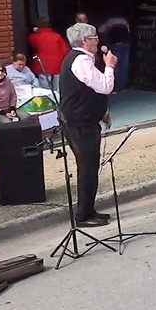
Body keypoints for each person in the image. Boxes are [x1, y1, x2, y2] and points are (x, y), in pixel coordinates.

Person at [59, 23, 116, 228]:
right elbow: (104, 86)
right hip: (79, 123)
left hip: (87, 120)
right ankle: (83, 215)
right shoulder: (80, 60)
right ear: (84, 41)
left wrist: (102, 111)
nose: (97, 41)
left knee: (91, 166)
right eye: (94, 38)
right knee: (87, 167)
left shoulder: (83, 59)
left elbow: (88, 92)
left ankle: (89, 209)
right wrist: (109, 66)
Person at [28, 19, 69, 91]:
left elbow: (32, 45)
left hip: (42, 65)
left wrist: (36, 31)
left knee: (45, 90)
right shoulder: (57, 36)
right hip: (57, 65)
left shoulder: (34, 37)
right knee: (57, 89)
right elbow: (65, 50)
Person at [99, 15, 132, 92]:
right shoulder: (124, 20)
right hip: (126, 43)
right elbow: (128, 31)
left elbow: (101, 31)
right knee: (124, 66)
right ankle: (122, 86)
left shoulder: (109, 22)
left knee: (114, 65)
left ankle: (114, 87)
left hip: (115, 44)